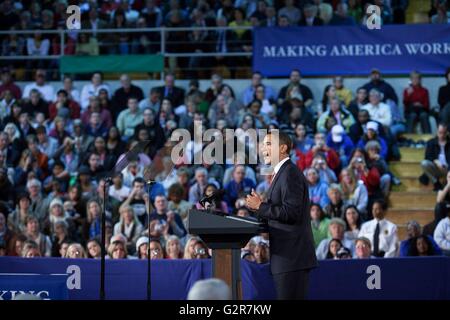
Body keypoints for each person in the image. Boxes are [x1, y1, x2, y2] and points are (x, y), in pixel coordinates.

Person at [246, 131, 317, 299]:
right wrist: (259, 209)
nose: (264, 148)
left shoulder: (290, 172)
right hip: (286, 257)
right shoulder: (282, 173)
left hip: (292, 257)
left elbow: (291, 213)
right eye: (263, 144)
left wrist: (261, 206)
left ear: (283, 148)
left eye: (269, 144)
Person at [421, 123, 450, 190]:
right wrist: (435, 161)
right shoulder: (431, 142)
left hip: (448, 169)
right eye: (440, 133)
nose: (442, 135)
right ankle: (436, 182)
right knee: (424, 163)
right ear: (437, 132)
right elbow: (427, 157)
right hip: (436, 168)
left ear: (447, 133)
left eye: (444, 133)